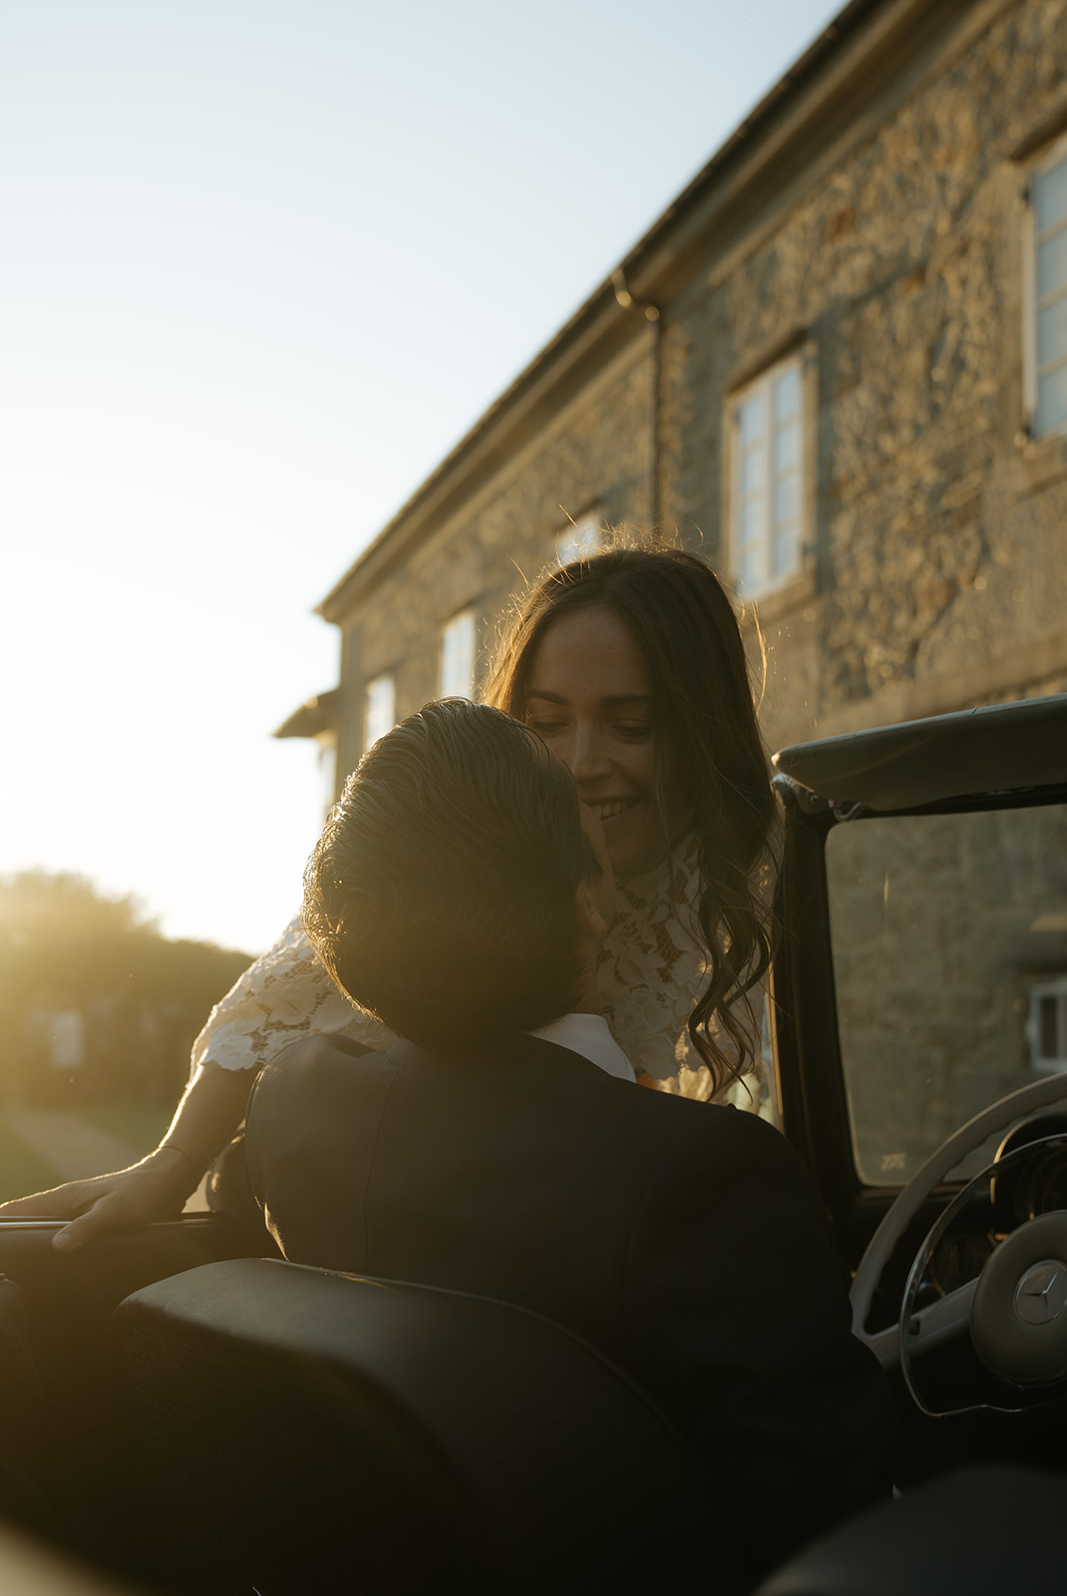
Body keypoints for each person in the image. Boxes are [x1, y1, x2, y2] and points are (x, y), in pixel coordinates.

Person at [245, 698, 891, 1594]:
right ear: (589, 902)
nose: (591, 778)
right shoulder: (703, 1175)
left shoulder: (296, 1098)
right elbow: (831, 1521)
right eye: (572, 800)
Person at [1, 542, 779, 1250]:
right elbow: (266, 1008)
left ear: (699, 726)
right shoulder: (466, 838)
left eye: (630, 726)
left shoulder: (736, 861)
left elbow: (630, 1084)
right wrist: (173, 1163)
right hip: (353, 1182)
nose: (580, 762)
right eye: (544, 722)